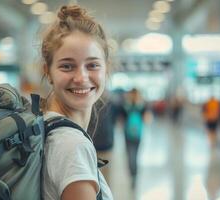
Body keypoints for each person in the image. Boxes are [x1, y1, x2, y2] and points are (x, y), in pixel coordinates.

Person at [40, 4, 113, 200]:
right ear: (48, 72)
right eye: (67, 66)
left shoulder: (45, 125)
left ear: (106, 69)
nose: (81, 77)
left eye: (92, 65)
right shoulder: (72, 146)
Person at [118, 88, 149, 188]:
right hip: (136, 134)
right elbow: (147, 119)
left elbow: (121, 121)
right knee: (134, 156)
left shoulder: (126, 106)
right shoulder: (142, 106)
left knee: (131, 156)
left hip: (129, 135)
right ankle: (134, 174)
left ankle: (133, 174)